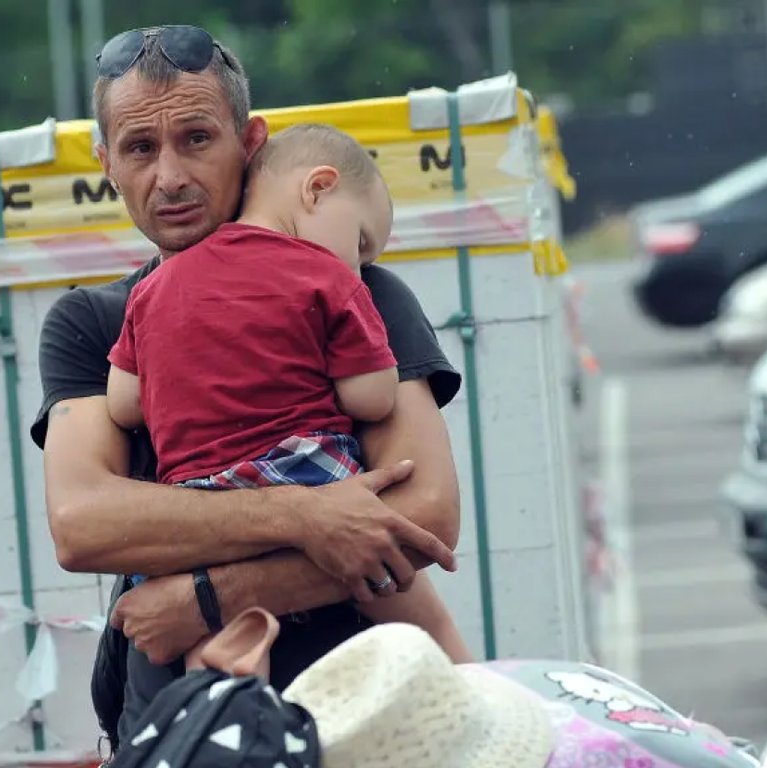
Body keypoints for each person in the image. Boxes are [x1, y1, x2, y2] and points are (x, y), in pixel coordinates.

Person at [29, 23, 465, 750]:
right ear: (105, 162)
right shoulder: (91, 321)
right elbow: (83, 522)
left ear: (250, 142)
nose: (168, 177)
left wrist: (204, 597)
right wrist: (307, 515)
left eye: (196, 139)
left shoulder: (356, 288)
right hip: (185, 733)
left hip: (369, 717)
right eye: (140, 149)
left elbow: (426, 516)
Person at [104, 121, 471, 668]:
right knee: (419, 613)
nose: (363, 262)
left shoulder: (154, 288)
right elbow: (371, 398)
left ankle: (236, 722)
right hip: (311, 476)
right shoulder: (329, 278)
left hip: (203, 507)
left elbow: (124, 404)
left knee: (219, 655)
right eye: (362, 240)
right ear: (317, 188)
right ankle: (482, 703)